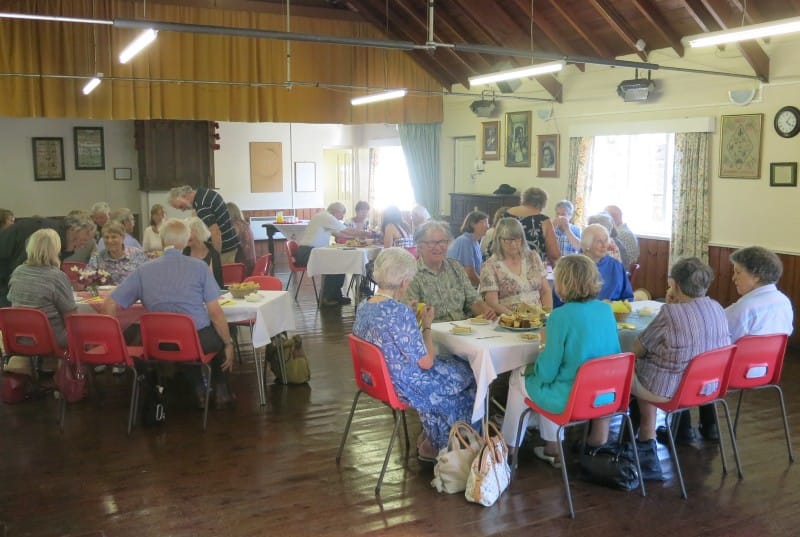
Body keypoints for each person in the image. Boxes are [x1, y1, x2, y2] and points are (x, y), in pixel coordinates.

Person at [352, 247, 477, 461]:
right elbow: (426, 362)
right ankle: (448, 445)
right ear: (403, 283)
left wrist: (410, 317)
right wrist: (426, 326)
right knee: (468, 373)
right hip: (405, 386)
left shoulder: (364, 305)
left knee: (451, 373)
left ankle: (433, 439)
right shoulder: (398, 313)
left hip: (378, 380)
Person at [101, 218, 236, 408]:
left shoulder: (143, 270)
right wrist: (228, 343)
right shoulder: (199, 267)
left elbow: (109, 305)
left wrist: (114, 341)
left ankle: (196, 388)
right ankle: (221, 391)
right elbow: (215, 313)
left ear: (162, 240)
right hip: (195, 339)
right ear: (186, 239)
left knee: (189, 342)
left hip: (157, 342)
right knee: (219, 337)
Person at [501, 254, 621, 465]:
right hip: (605, 395)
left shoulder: (560, 316)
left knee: (518, 376)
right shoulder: (606, 309)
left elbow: (547, 373)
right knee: (553, 379)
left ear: (562, 283)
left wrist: (544, 344)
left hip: (570, 399)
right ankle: (552, 447)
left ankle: (509, 450)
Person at [631, 257, 730, 479]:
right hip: (706, 388)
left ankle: (645, 440)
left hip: (669, 392)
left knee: (632, 367)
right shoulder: (717, 308)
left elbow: (638, 348)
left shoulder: (670, 314)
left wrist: (669, 305)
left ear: (674, 284)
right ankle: (675, 431)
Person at [405, 220, 496, 322]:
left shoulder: (456, 267)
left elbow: (473, 299)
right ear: (420, 246)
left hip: (462, 330)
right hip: (432, 333)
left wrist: (485, 311)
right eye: (431, 243)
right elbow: (411, 314)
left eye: (442, 242)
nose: (438, 247)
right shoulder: (412, 274)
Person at [0, 212, 95, 306]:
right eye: (83, 240)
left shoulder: (58, 236)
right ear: (73, 230)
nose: (82, 246)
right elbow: (25, 272)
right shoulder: (48, 237)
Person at [7, 229, 77, 349]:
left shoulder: (18, 272)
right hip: (49, 338)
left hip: (17, 336)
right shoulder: (56, 276)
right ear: (55, 249)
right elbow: (71, 316)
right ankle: (88, 367)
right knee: (89, 332)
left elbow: (12, 301)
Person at [295, 202, 364, 307]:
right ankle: (328, 297)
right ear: (336, 211)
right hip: (307, 252)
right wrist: (364, 233)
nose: (342, 217)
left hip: (309, 251)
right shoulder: (326, 217)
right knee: (334, 263)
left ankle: (335, 295)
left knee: (339, 262)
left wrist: (356, 238)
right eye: (342, 213)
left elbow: (339, 234)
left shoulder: (324, 217)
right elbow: (347, 230)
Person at [480, 218, 553, 315]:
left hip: (538, 319)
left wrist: (547, 315)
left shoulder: (533, 257)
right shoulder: (490, 266)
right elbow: (492, 303)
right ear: (499, 240)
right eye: (508, 240)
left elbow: (545, 291)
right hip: (509, 320)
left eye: (517, 239)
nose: (513, 244)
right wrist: (519, 319)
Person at [725, 246, 794, 343]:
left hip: (741, 357)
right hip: (771, 358)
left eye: (738, 272)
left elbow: (720, 342)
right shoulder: (784, 301)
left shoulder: (743, 308)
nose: (733, 278)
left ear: (756, 276)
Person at [168, 185, 240, 264]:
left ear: (184, 196)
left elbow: (216, 233)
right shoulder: (203, 193)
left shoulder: (201, 206)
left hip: (225, 250)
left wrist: (214, 259)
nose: (182, 210)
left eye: (180, 206)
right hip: (231, 244)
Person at [503, 187, 560, 265]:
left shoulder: (505, 214)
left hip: (505, 265)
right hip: (531, 268)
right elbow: (554, 255)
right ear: (543, 203)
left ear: (524, 199)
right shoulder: (544, 221)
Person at [580, 224, 633, 301]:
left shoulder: (615, 265)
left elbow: (627, 296)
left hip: (614, 311)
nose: (604, 245)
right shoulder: (575, 266)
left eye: (606, 240)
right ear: (587, 244)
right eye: (599, 241)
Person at [446, 210, 488, 287]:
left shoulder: (475, 242)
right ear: (472, 224)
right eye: (483, 222)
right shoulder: (465, 241)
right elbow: (469, 272)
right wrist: (484, 287)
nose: (487, 226)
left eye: (487, 223)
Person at [183, 217, 224, 288]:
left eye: (188, 232)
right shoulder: (184, 254)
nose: (185, 236)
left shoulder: (213, 255)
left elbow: (218, 285)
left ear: (199, 232)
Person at [226, 202, 256, 276]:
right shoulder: (245, 225)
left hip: (241, 266)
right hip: (251, 263)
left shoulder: (234, 226)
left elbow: (229, 246)